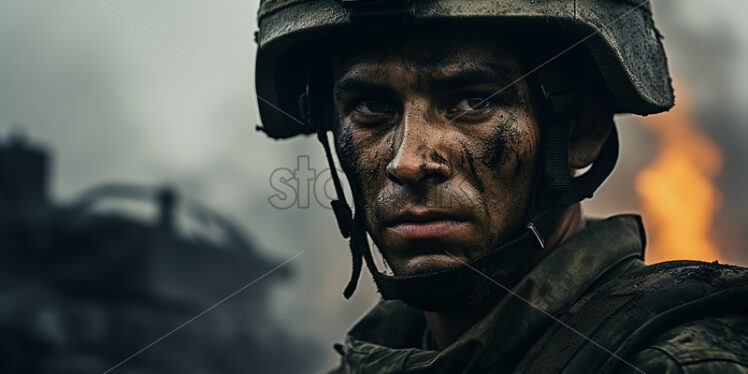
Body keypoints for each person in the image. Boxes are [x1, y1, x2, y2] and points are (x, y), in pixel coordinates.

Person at [254, 1, 748, 373]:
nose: (407, 163)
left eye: (473, 101)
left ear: (578, 131)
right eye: (371, 108)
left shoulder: (677, 361)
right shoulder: (379, 357)